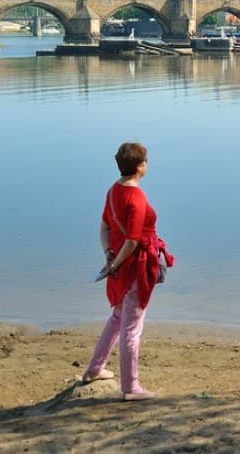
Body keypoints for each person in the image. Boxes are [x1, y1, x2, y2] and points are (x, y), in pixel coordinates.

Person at [83, 142, 173, 401]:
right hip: (135, 267)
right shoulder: (136, 197)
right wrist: (117, 263)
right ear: (139, 166)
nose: (147, 164)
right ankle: (130, 388)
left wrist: (109, 256)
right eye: (145, 161)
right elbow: (133, 240)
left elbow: (104, 227)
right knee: (132, 329)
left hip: (118, 265)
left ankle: (94, 369)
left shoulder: (113, 191)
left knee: (117, 318)